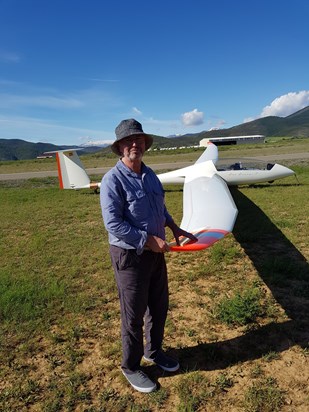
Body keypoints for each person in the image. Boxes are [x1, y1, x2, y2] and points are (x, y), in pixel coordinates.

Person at [100, 119, 197, 393]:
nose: (135, 145)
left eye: (139, 141)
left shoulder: (151, 175)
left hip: (156, 252)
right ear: (120, 147)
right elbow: (113, 224)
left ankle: (153, 352)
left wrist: (173, 226)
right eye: (129, 141)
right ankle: (130, 366)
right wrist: (148, 240)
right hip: (130, 256)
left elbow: (160, 209)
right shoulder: (112, 180)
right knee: (133, 315)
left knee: (158, 305)